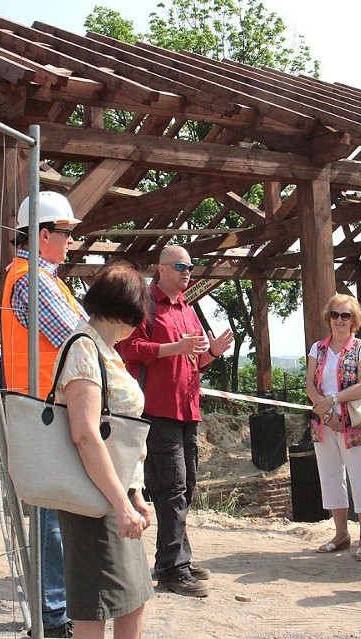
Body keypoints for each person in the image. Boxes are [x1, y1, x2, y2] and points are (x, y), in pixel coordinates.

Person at [117, 245, 234, 597]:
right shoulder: (145, 305)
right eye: (180, 266)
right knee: (171, 488)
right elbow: (128, 349)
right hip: (158, 410)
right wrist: (173, 349)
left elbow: (194, 362)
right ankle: (171, 569)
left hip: (188, 410)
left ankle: (177, 557)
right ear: (161, 269)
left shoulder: (186, 307)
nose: (188, 271)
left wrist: (212, 351)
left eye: (190, 266)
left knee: (186, 484)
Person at [1, 191, 87, 638]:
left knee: (55, 514)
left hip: (44, 406)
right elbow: (78, 340)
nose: (73, 240)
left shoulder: (38, 278)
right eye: (67, 232)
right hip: (44, 409)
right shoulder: (34, 280)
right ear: (44, 234)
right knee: (53, 517)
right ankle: (55, 614)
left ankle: (56, 609)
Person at [54, 261, 153, 639]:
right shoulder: (84, 349)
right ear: (130, 309)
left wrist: (135, 492)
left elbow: (120, 435)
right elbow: (86, 433)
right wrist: (121, 502)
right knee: (96, 604)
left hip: (114, 492)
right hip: (95, 496)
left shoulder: (103, 349)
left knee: (132, 596)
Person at [305, 293, 361, 561]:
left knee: (360, 478)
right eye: (335, 315)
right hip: (324, 425)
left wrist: (333, 401)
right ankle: (341, 534)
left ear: (353, 319)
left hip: (354, 424)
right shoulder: (318, 349)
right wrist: (326, 413)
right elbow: (310, 384)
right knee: (331, 477)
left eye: (345, 315)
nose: (339, 320)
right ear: (329, 318)